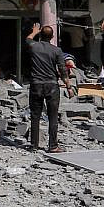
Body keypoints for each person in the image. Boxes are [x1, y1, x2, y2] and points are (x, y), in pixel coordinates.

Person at [24, 22, 73, 152]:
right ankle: (53, 146)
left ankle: (34, 145)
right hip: (52, 85)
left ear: (40, 36)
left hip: (36, 84)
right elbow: (63, 70)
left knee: (35, 116)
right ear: (52, 37)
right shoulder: (57, 51)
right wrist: (68, 87)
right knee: (53, 116)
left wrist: (34, 31)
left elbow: (28, 39)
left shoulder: (34, 46)